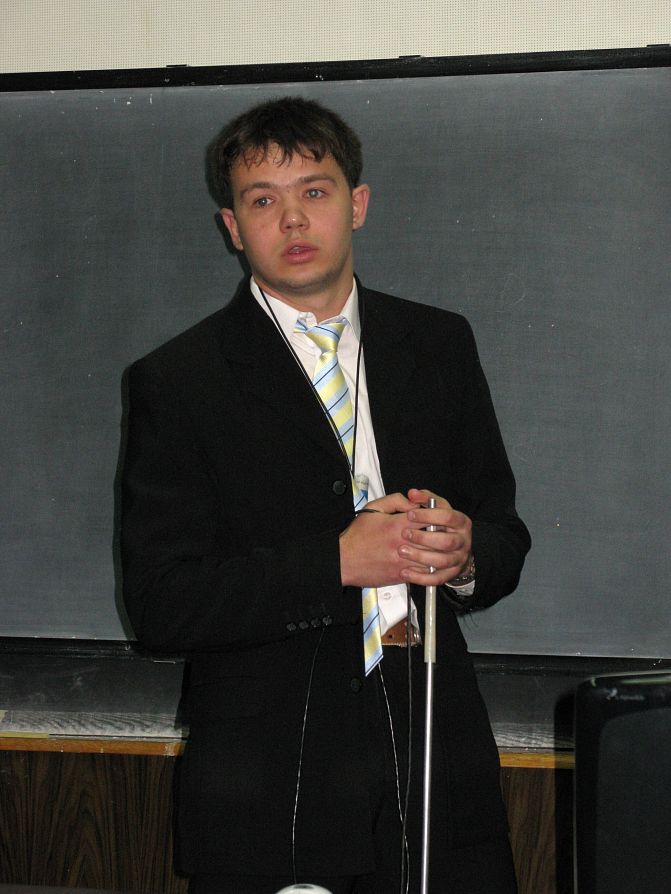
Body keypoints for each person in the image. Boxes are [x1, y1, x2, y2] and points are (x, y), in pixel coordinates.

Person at [121, 96, 531, 894]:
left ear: (357, 204)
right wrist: (335, 564)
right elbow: (162, 604)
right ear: (232, 227)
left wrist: (464, 553)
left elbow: (503, 533)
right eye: (261, 200)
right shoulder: (178, 381)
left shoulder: (438, 344)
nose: (292, 219)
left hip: (436, 760)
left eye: (314, 191)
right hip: (271, 782)